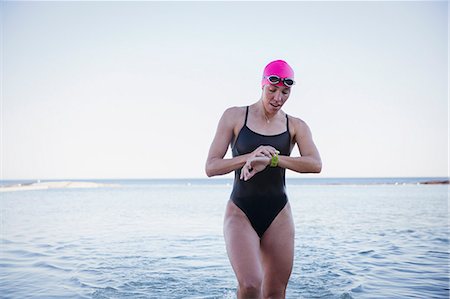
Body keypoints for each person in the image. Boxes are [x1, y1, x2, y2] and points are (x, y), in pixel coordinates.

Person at [205, 59, 321, 299]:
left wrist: (273, 160)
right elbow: (211, 166)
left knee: (275, 293)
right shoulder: (235, 116)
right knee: (250, 285)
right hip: (241, 211)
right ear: (262, 85)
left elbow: (315, 163)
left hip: (278, 214)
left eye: (285, 92)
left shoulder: (295, 125)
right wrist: (249, 157)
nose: (278, 98)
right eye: (273, 90)